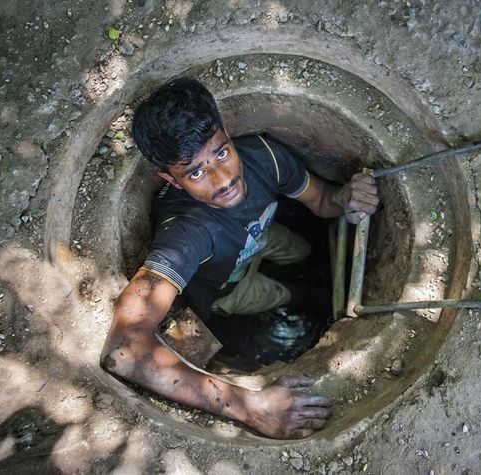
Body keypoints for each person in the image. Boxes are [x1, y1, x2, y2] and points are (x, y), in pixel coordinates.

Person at [100, 77, 380, 439]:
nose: (224, 179)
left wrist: (347, 197)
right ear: (170, 179)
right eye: (196, 172)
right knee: (282, 296)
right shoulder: (188, 232)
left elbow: (324, 202)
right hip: (226, 289)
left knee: (305, 251)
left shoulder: (264, 157)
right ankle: (301, 298)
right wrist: (250, 408)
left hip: (260, 237)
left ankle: (308, 281)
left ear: (228, 134)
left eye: (221, 152)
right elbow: (123, 351)